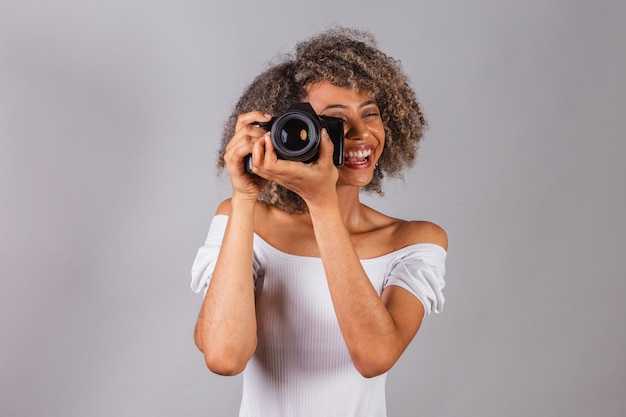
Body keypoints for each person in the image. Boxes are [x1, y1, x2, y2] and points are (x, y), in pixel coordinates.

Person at [190, 27, 448, 417]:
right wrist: (244, 197)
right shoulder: (245, 220)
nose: (361, 135)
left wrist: (322, 201)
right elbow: (225, 356)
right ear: (292, 131)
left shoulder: (413, 240)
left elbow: (375, 356)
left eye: (371, 114)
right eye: (335, 121)